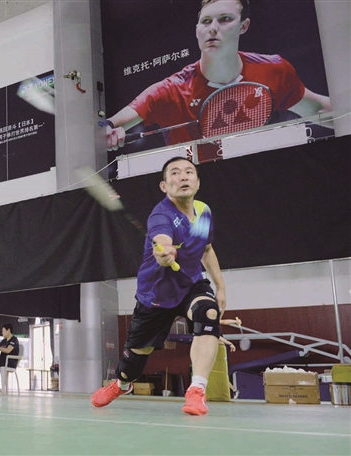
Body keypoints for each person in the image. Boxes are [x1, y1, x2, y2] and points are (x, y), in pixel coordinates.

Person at [91, 157, 227, 416]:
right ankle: (121, 385)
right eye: (175, 173)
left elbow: (207, 249)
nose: (183, 176)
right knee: (131, 365)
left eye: (189, 172)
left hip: (191, 283)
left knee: (208, 313)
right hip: (156, 294)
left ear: (197, 182)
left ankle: (197, 390)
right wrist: (163, 253)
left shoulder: (204, 211)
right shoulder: (161, 215)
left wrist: (220, 287)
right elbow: (162, 240)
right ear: (164, 186)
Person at [105, 0, 331, 150]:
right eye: (206, 21)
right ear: (197, 30)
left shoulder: (274, 70)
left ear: (244, 26)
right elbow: (106, 124)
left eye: (225, 19)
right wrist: (107, 130)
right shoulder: (170, 91)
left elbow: (319, 109)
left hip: (258, 179)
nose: (213, 28)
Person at [0, 323, 20, 392]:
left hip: (10, 362)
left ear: (8, 330)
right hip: (2, 361)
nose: (2, 333)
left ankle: (3, 389)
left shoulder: (14, 340)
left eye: (3, 331)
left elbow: (7, 350)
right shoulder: (4, 341)